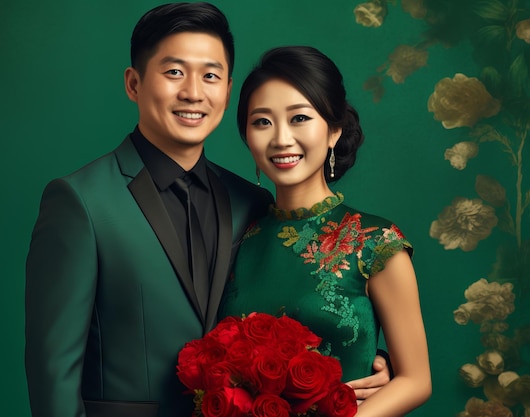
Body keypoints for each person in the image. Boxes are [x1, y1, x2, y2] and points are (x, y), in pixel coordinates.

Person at [25, 4, 392, 417]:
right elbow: (52, 371)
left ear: (228, 90)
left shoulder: (251, 204)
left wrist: (369, 361)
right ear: (133, 83)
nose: (194, 93)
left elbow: (293, 301)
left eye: (211, 75)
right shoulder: (81, 202)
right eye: (174, 72)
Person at [219, 46, 431, 416]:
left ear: (334, 130)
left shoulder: (374, 242)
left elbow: (415, 380)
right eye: (262, 122)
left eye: (299, 118)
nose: (281, 139)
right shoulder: (238, 236)